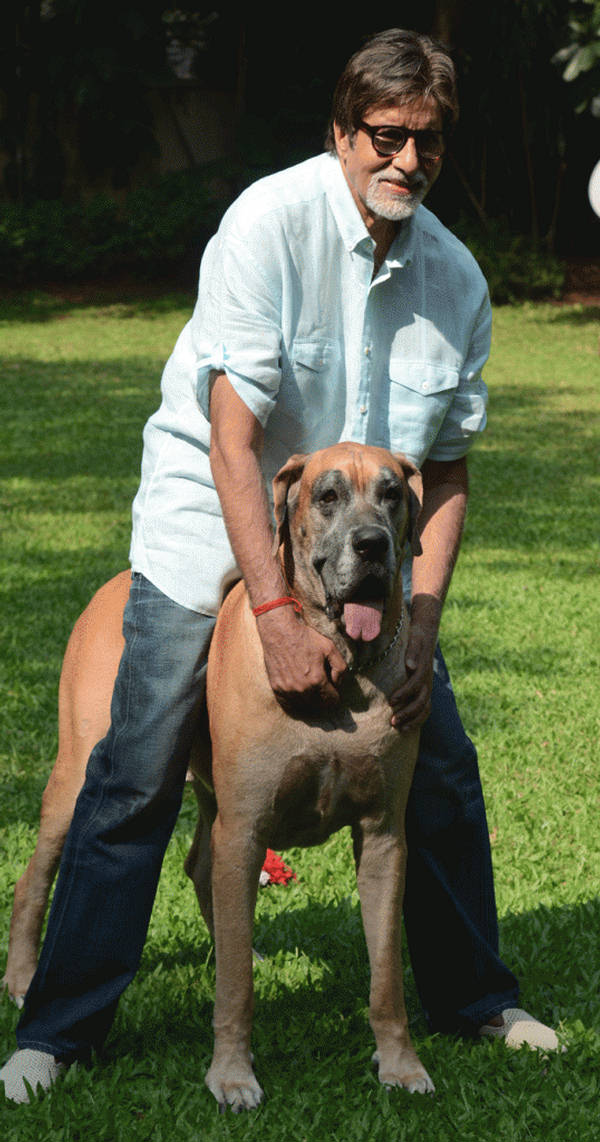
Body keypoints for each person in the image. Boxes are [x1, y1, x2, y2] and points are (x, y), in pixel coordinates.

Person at [1, 28, 562, 1104]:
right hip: (214, 519)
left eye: (427, 143)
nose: (406, 161)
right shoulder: (267, 223)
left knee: (438, 763)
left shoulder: (456, 278)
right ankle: (60, 1027)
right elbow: (232, 442)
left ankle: (478, 996)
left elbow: (442, 477)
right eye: (385, 136)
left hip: (363, 540)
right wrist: (268, 606)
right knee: (138, 763)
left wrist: (424, 623)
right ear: (343, 132)